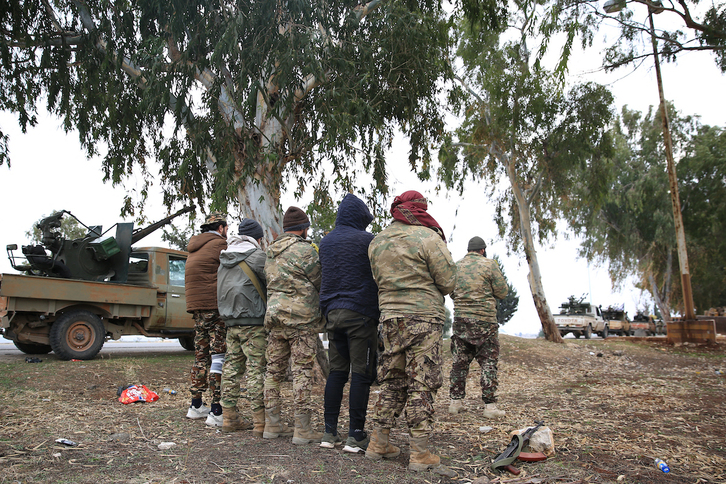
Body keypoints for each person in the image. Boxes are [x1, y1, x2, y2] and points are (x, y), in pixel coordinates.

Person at [364, 190, 457, 478]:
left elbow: (377, 279)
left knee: (392, 379)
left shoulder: (377, 241)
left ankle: (379, 443)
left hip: (390, 318)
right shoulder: (428, 238)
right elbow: (449, 281)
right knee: (422, 382)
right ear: (419, 209)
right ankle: (419, 452)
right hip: (424, 318)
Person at [318, 194, 379, 453]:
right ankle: (356, 435)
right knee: (361, 374)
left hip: (333, 315)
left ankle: (329, 432)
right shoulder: (368, 241)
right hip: (360, 317)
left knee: (337, 373)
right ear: (359, 219)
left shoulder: (326, 242)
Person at [262, 206, 324, 445]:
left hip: (275, 318)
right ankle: (302, 428)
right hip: (301, 320)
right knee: (302, 372)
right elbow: (319, 280)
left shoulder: (271, 251)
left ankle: (272, 423)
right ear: (304, 229)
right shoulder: (305, 251)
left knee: (273, 372)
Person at [217, 218, 268, 435]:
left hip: (231, 322)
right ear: (258, 238)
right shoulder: (257, 257)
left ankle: (229, 418)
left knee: (231, 369)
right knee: (256, 370)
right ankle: (260, 421)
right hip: (254, 322)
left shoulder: (224, 257)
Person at [448, 236, 509, 418]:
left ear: (469, 250)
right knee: (488, 363)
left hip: (461, 321)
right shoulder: (490, 265)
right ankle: (490, 407)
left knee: (459, 363)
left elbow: (451, 291)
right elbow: (502, 292)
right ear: (482, 250)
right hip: (485, 322)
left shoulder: (456, 266)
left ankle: (455, 403)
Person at [185, 212, 228, 427]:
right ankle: (217, 410)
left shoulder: (194, 246)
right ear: (220, 228)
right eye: (226, 228)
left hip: (197, 308)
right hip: (214, 307)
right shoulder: (219, 245)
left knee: (201, 355)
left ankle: (195, 405)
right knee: (219, 355)